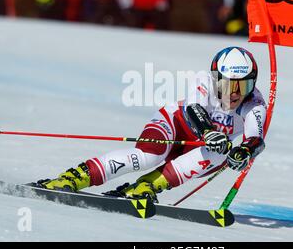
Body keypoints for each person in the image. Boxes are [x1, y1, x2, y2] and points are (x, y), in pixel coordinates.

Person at [37, 47, 267, 202]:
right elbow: (192, 109)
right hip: (173, 126)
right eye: (228, 85)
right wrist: (207, 131)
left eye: (243, 86)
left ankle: (145, 186)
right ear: (216, 78)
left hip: (200, 150)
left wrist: (244, 152)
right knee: (149, 156)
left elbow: (255, 139)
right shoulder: (204, 80)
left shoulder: (255, 103)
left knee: (221, 153)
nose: (235, 94)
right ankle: (75, 177)